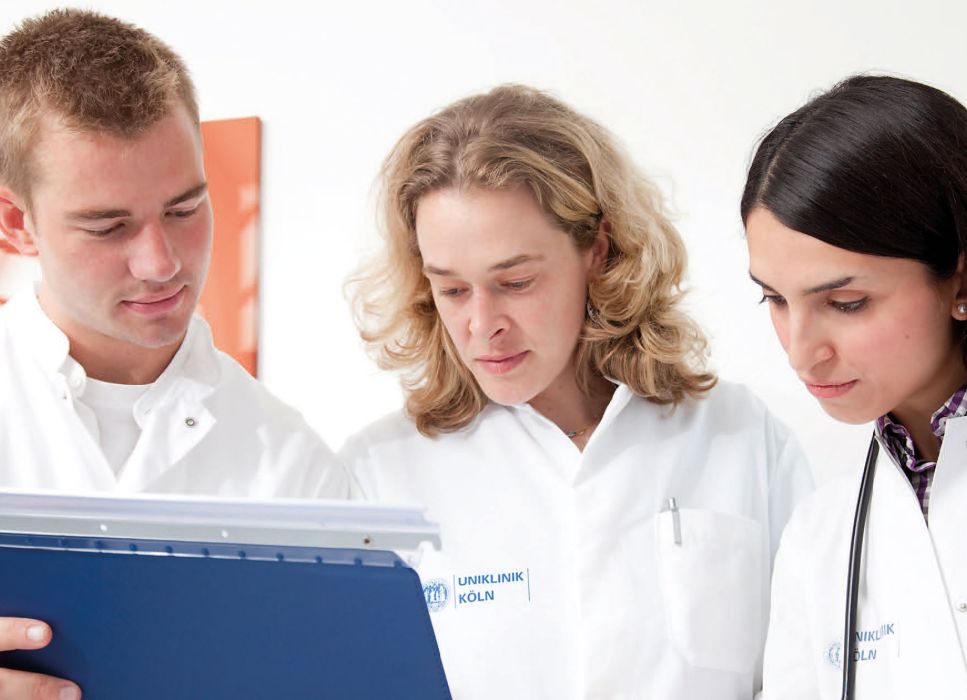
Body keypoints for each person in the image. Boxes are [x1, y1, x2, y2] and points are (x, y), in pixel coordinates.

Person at [342, 84, 813, 699]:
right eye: (452, 290)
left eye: (514, 281)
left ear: (598, 249)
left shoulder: (741, 437)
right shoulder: (379, 475)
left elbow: (811, 676)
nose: (482, 325)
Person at [0, 10, 348, 698]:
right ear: (17, 224)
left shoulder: (288, 460)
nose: (161, 263)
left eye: (185, 209)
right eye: (108, 226)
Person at [743, 75, 967, 699]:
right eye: (775, 299)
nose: (799, 350)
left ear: (959, 281)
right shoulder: (823, 535)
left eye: (846, 302)